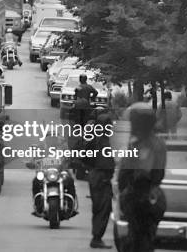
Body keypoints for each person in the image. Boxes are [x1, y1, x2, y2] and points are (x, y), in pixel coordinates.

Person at [118, 104, 167, 252]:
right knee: (148, 235)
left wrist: (123, 190)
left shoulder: (135, 144)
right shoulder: (160, 144)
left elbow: (124, 173)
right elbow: (160, 173)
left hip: (136, 195)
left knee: (134, 235)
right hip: (153, 196)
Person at [84, 113, 116, 249]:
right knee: (103, 208)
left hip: (96, 176)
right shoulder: (101, 140)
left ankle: (97, 236)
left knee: (100, 208)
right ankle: (97, 237)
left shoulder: (97, 138)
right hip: (100, 178)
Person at [31, 135, 78, 217]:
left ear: (56, 138)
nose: (51, 139)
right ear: (46, 139)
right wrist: (32, 163)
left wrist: (71, 160)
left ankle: (71, 206)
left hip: (60, 172)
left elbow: (69, 157)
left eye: (53, 137)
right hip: (46, 173)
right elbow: (34, 160)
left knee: (70, 180)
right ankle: (38, 204)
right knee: (36, 181)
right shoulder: (41, 148)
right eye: (49, 137)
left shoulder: (63, 148)